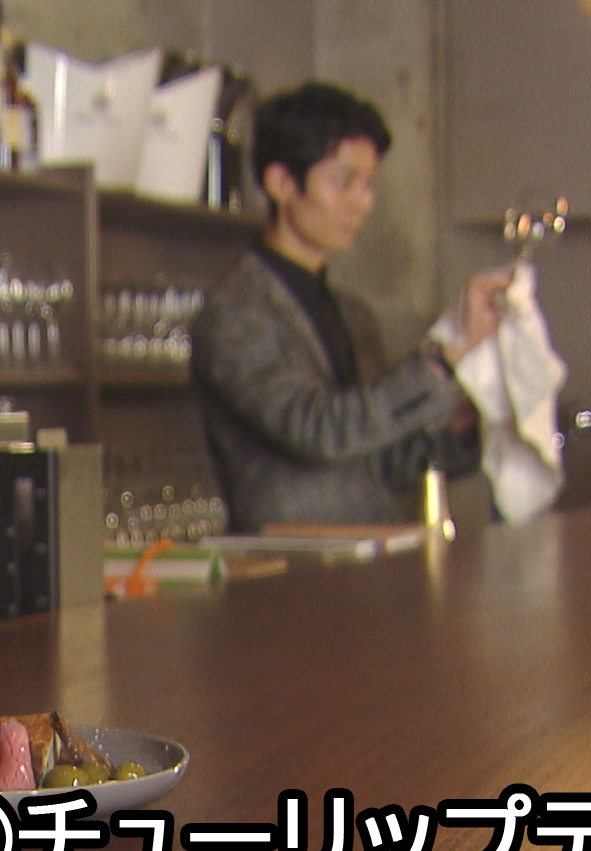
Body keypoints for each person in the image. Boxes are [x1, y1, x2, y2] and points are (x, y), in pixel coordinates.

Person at [189, 81, 508, 532]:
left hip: (373, 555)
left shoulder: (353, 313)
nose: (363, 202)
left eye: (369, 184)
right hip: (285, 563)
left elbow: (380, 458)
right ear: (281, 183)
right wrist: (443, 359)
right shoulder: (232, 314)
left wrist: (464, 423)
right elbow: (316, 430)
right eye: (343, 182)